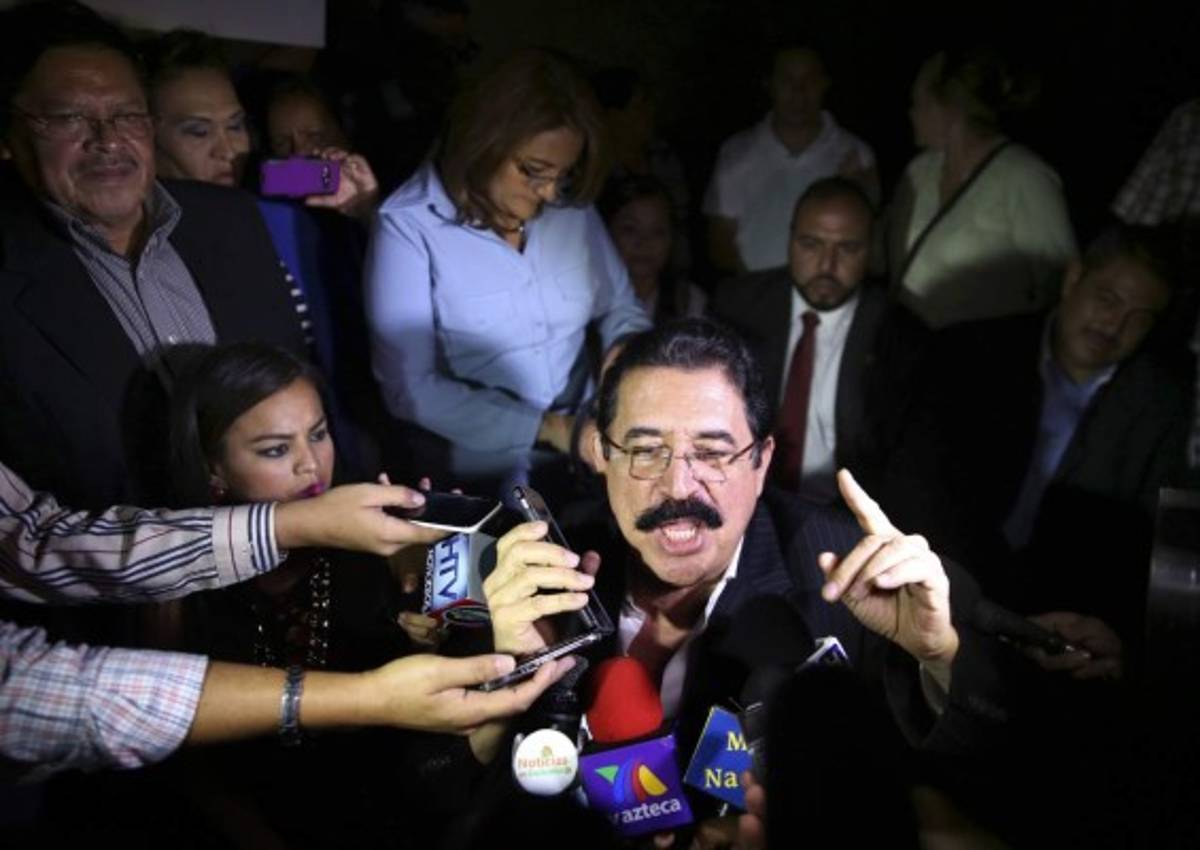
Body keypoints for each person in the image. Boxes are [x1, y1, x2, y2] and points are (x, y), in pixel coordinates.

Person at [474, 320, 1009, 845]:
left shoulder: (856, 577)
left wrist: (940, 658)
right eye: (646, 450)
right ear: (602, 455)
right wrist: (504, 685)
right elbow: (459, 799)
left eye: (711, 452)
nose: (677, 486)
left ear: (761, 462)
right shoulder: (540, 570)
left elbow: (984, 781)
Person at [0, 457, 569, 779]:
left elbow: (33, 540)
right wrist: (368, 698)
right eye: (273, 449)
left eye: (318, 433)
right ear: (216, 473)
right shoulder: (181, 610)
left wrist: (428, 618)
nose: (307, 462)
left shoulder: (366, 564)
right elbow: (54, 696)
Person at [0, 2, 305, 510]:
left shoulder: (233, 217)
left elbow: (302, 394)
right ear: (10, 137)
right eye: (68, 118)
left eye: (126, 115)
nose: (107, 141)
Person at [364, 48, 650, 496]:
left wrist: (624, 355)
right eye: (534, 171)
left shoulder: (569, 208)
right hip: (476, 473)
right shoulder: (408, 226)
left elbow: (620, 306)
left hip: (585, 455)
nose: (550, 192)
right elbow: (410, 389)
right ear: (482, 143)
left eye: (563, 175)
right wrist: (550, 428)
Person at [709, 177, 927, 502]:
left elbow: (909, 466)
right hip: (744, 500)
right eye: (811, 245)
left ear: (872, 249)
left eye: (848, 248)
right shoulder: (737, 306)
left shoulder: (899, 335)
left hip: (845, 510)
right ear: (790, 240)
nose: (827, 265)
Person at [886, 47, 1077, 329]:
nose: (911, 113)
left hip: (979, 348)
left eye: (919, 103)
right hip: (904, 340)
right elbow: (884, 250)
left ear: (949, 109)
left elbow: (1061, 286)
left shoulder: (1026, 178)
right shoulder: (920, 170)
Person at [704, 45, 878, 276]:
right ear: (769, 84)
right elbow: (720, 241)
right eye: (787, 80)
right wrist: (756, 289)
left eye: (810, 80)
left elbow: (870, 242)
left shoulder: (856, 153)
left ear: (825, 83)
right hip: (754, 291)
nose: (799, 92)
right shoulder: (735, 153)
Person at [599, 173, 706, 322]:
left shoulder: (687, 301)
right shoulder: (584, 296)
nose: (644, 243)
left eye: (657, 232)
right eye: (630, 229)